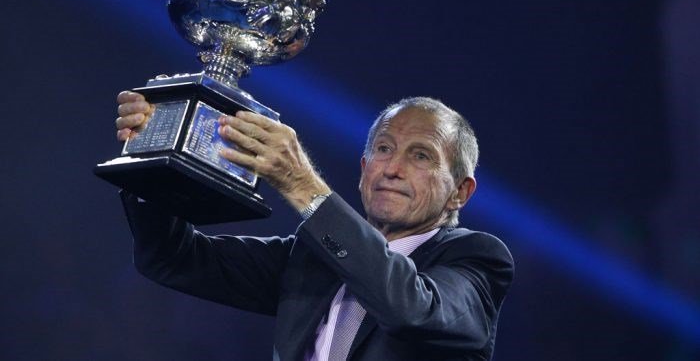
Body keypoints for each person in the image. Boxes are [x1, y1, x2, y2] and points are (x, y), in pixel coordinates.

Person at [116, 91, 514, 361]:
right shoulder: (313, 259)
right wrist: (155, 155)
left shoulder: (477, 260)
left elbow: (409, 310)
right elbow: (173, 258)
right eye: (384, 148)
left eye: (421, 156)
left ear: (460, 192)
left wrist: (301, 184)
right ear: (364, 170)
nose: (393, 168)